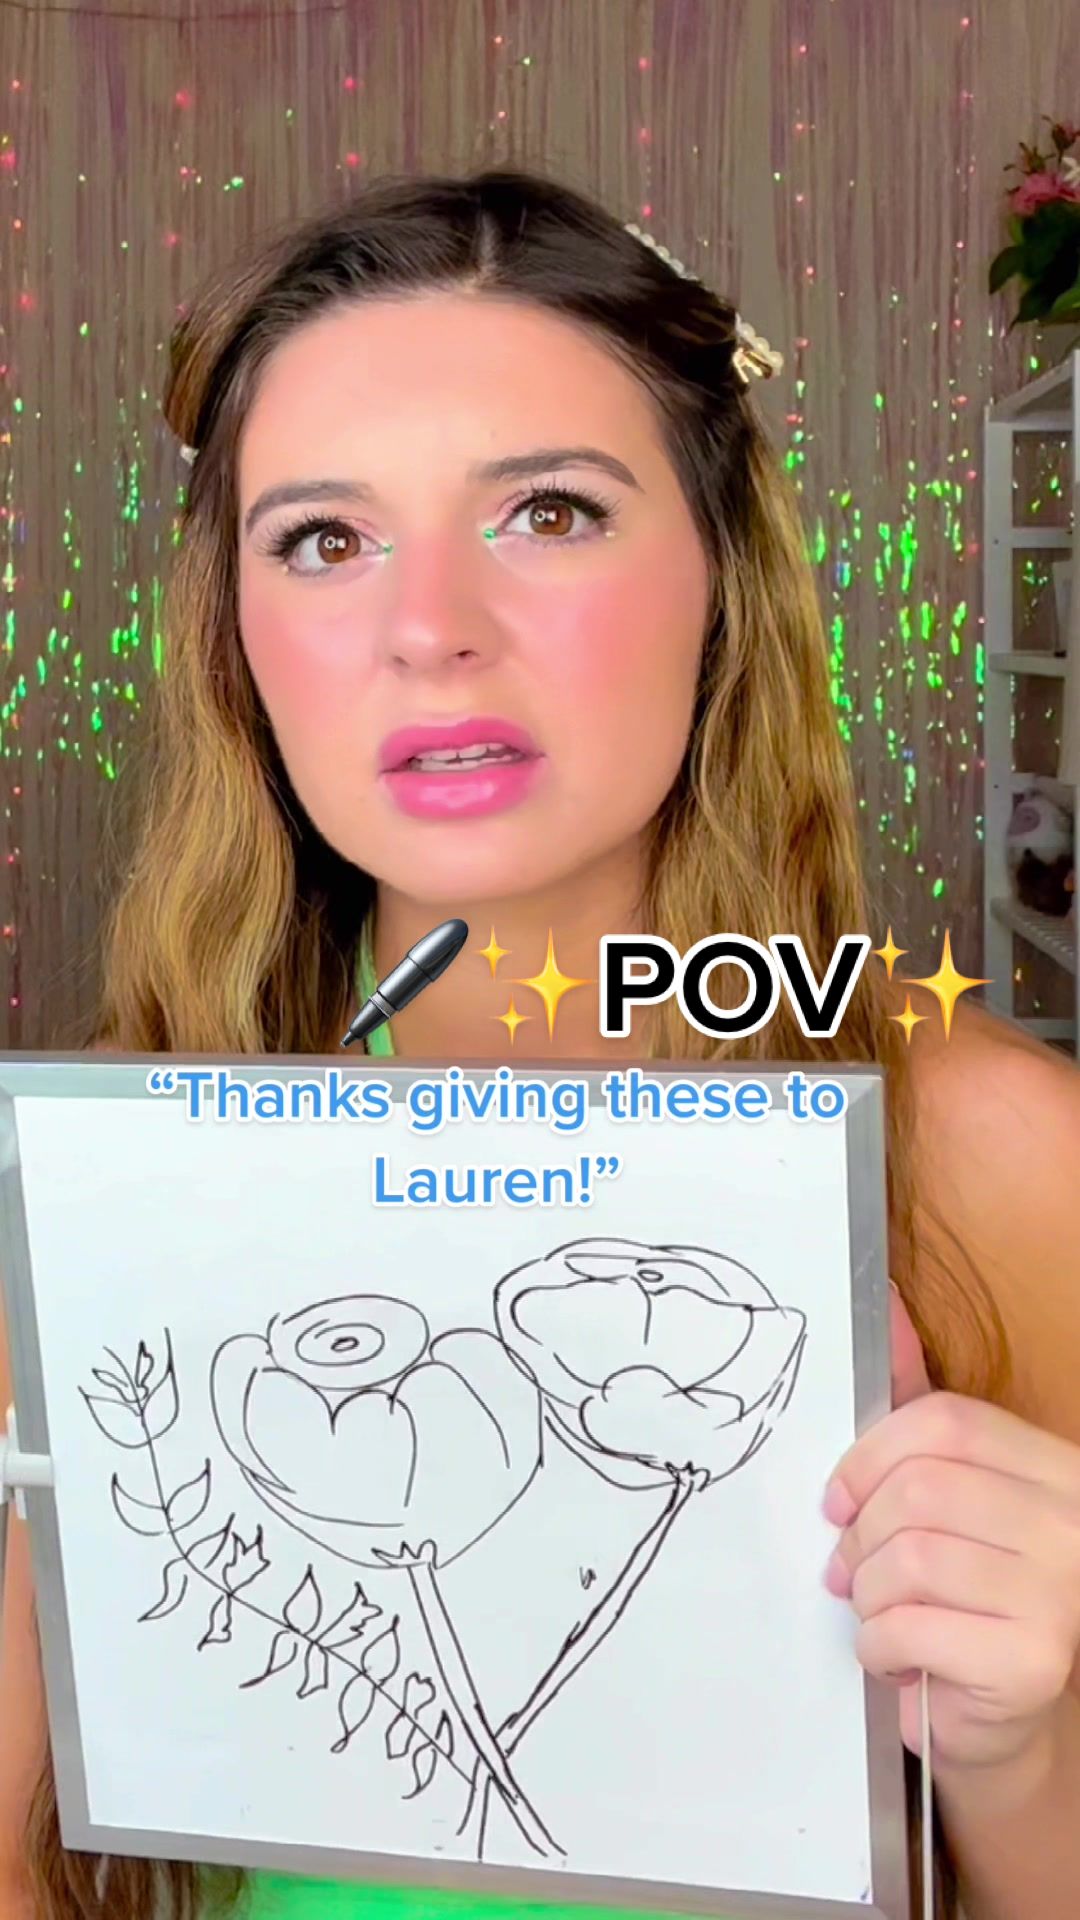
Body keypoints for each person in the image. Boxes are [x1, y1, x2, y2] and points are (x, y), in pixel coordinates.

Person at [1, 166, 1079, 1920]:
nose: (430, 627)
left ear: (724, 576)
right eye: (325, 539)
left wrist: (1019, 1750)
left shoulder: (990, 1152)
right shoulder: (97, 1187)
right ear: (237, 638)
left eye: (551, 511)